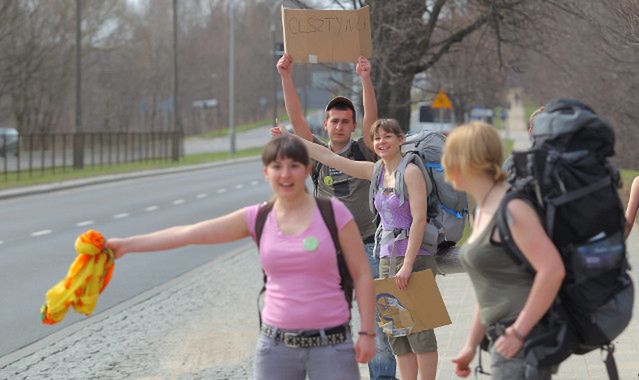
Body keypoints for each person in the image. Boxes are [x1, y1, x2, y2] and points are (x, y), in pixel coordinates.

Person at [105, 135, 376, 380]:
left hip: (331, 345)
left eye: (294, 165)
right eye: (277, 166)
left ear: (307, 170)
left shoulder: (334, 214)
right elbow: (190, 233)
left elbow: (362, 275)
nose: (285, 174)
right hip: (276, 348)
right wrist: (126, 245)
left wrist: (367, 332)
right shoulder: (258, 217)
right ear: (265, 173)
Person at [280, 118, 439, 380]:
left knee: (420, 331)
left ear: (400, 140)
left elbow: (419, 219)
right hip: (387, 258)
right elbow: (331, 158)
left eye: (388, 137)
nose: (381, 142)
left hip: (415, 257)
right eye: (377, 138)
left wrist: (408, 263)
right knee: (398, 334)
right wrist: (291, 138)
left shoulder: (410, 172)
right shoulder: (375, 171)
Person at [277, 53, 398, 379]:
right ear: (326, 125)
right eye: (335, 120)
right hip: (330, 252)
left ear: (354, 126)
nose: (340, 125)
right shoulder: (316, 154)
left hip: (371, 247)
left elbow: (373, 116)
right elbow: (298, 122)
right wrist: (286, 77)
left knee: (379, 325)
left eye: (346, 121)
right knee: (331, 325)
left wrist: (365, 78)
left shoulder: (364, 150)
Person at [443, 122, 565, 379]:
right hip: (503, 340)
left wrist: (519, 332)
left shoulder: (512, 208)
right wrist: (471, 344)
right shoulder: (482, 209)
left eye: (449, 155)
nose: (444, 164)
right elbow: (488, 286)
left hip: (522, 344)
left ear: (466, 160)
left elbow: (552, 270)